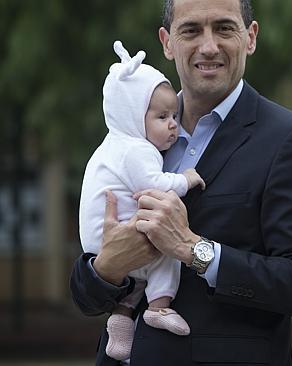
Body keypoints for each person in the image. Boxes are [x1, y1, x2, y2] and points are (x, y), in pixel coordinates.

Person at [70, 0, 292, 365]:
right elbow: (86, 295)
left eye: (225, 28)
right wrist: (107, 268)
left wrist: (194, 249)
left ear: (251, 37)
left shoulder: (290, 140)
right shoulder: (134, 138)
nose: (208, 46)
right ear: (167, 43)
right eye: (191, 30)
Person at [79, 40, 206, 361]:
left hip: (99, 242)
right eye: (162, 116)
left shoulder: (112, 145)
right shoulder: (138, 150)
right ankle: (159, 307)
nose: (172, 124)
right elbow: (155, 183)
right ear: (133, 116)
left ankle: (121, 319)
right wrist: (187, 179)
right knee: (167, 247)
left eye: (173, 115)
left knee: (138, 271)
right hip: (115, 239)